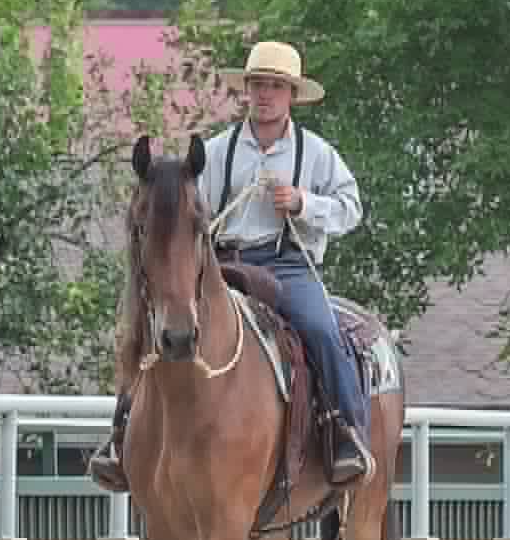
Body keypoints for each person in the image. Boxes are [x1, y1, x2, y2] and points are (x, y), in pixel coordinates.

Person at [87, 39, 375, 492]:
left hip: (287, 264)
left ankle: (345, 434)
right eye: (258, 85)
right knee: (151, 323)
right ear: (247, 91)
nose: (265, 94)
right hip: (221, 262)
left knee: (321, 329)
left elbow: (351, 209)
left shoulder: (316, 153)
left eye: (275, 86)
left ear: (291, 95)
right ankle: (121, 435)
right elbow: (187, 210)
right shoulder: (217, 151)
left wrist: (303, 202)